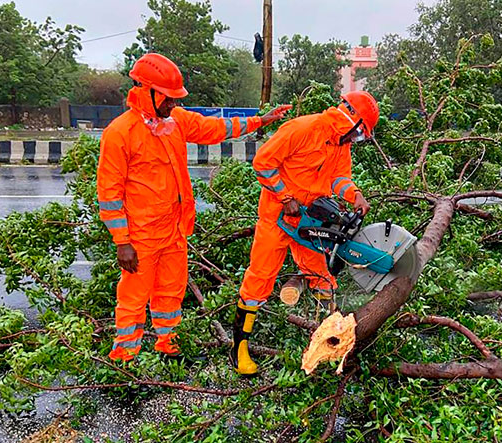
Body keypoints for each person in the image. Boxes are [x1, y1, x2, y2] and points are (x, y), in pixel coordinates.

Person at [97, 53, 289, 362]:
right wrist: (122, 242)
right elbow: (109, 193)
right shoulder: (121, 133)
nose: (174, 104)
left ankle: (168, 348)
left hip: (174, 230)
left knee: (171, 294)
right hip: (141, 237)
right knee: (133, 300)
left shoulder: (174, 122)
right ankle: (124, 362)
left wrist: (260, 121)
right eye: (169, 98)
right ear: (147, 91)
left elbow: (214, 128)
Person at [231, 91, 379, 376]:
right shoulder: (303, 128)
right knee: (260, 278)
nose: (356, 139)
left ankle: (329, 342)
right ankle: (239, 349)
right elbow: (263, 163)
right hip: (278, 216)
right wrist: (285, 197)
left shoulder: (340, 144)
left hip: (310, 218)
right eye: (359, 133)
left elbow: (339, 179)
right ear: (351, 119)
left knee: (322, 277)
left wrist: (355, 195)